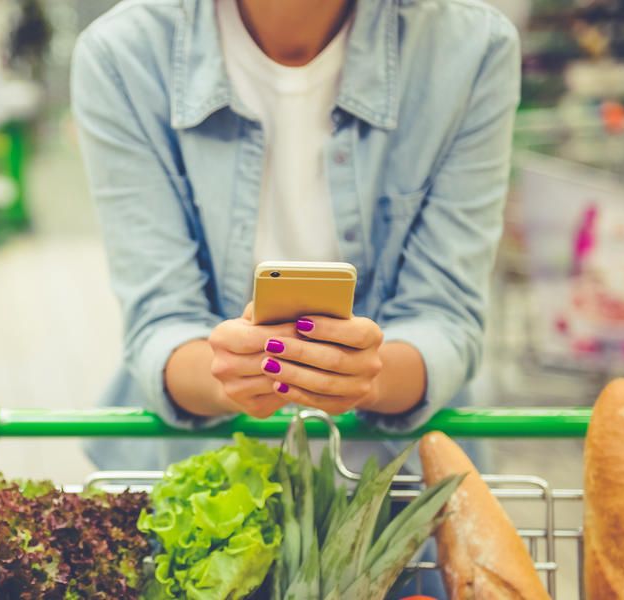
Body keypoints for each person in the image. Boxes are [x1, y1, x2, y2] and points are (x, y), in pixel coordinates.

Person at [71, 0, 519, 468]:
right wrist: (225, 373)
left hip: (399, 488)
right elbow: (160, 322)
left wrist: (371, 376)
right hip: (199, 482)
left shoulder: (471, 49)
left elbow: (446, 317)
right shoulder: (123, 55)